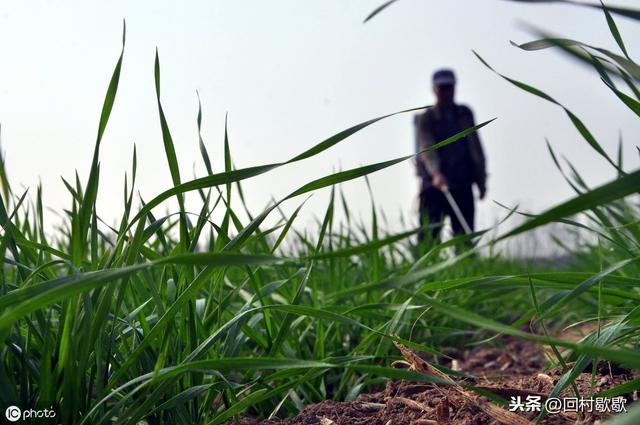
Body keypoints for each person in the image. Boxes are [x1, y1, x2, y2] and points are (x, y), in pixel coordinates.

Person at [415, 69, 487, 244]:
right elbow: (427, 147)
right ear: (435, 90)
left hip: (462, 186)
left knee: (464, 239)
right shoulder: (427, 118)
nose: (447, 92)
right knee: (428, 240)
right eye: (442, 88)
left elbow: (475, 147)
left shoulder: (464, 114)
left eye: (450, 87)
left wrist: (481, 180)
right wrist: (436, 173)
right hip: (434, 188)